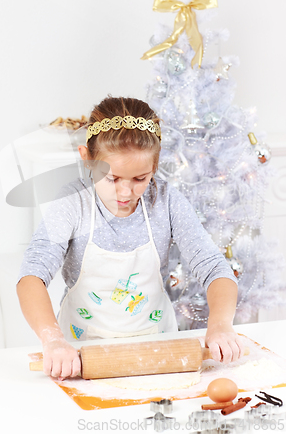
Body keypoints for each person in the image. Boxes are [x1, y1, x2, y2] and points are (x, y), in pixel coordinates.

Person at [17, 96, 244, 381]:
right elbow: (31, 278)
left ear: (155, 166)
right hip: (79, 354)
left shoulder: (167, 201)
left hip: (158, 349)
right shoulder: (72, 204)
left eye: (140, 179)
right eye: (111, 178)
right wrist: (53, 341)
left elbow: (214, 267)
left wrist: (221, 324)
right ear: (87, 159)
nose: (125, 193)